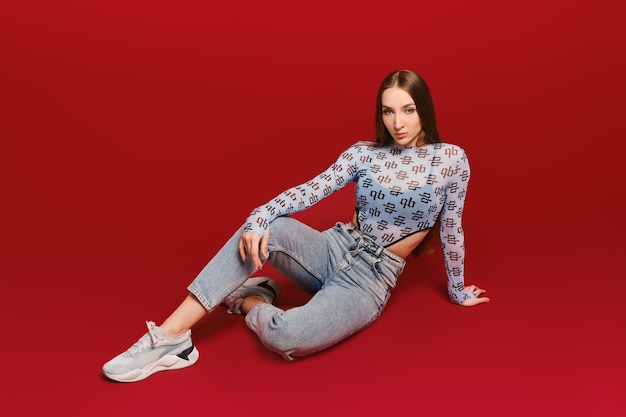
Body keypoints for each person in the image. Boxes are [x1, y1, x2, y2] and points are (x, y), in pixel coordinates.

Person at [102, 69, 490, 383]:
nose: (397, 122)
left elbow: (451, 228)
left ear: (424, 108)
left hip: (370, 278)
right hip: (333, 246)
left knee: (287, 336)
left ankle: (252, 298)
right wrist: (258, 215)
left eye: (407, 110)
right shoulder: (364, 153)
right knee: (264, 228)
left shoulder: (451, 159)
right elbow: (312, 190)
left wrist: (456, 291)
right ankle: (170, 338)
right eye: (388, 112)